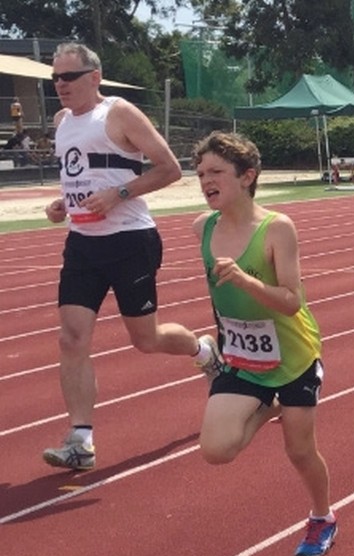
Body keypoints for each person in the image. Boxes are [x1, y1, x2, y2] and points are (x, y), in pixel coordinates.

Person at [41, 42, 221, 471]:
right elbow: (83, 176)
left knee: (145, 339)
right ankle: (80, 439)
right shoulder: (62, 121)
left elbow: (169, 168)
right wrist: (63, 204)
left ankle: (203, 351)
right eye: (55, 79)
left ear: (94, 77)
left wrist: (119, 194)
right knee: (71, 337)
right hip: (82, 242)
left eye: (68, 77)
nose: (60, 86)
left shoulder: (119, 113)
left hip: (129, 240)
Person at [191, 131, 336, 556]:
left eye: (216, 172)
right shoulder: (203, 227)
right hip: (241, 358)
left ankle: (322, 516)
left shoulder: (277, 229)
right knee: (216, 450)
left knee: (299, 450)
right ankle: (267, 406)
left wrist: (246, 280)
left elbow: (293, 302)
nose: (205, 181)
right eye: (200, 173)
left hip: (292, 357)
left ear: (247, 175)